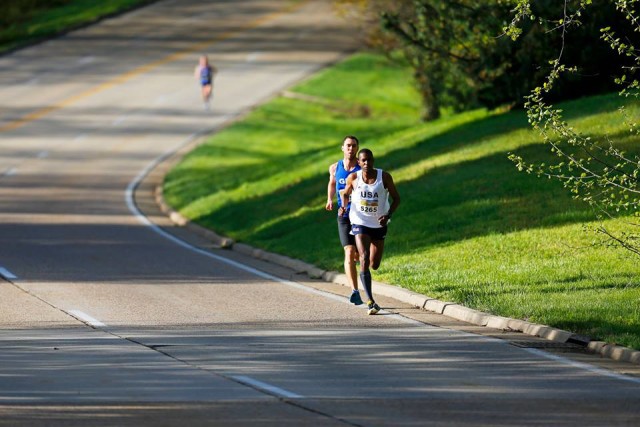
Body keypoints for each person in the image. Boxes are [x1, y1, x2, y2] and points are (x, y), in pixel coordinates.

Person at [339, 148, 400, 315]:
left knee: (374, 264)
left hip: (379, 224)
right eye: (363, 160)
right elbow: (345, 193)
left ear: (373, 160)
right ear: (359, 163)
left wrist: (388, 215)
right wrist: (343, 207)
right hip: (360, 222)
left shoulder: (384, 177)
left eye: (369, 160)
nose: (366, 163)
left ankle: (362, 257)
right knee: (365, 257)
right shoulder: (354, 178)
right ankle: (371, 301)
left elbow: (397, 198)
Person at [326, 136, 363, 305]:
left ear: (357, 148)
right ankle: (355, 291)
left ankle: (359, 258)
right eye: (348, 145)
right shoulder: (335, 167)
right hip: (343, 214)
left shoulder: (361, 169)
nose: (351, 149)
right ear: (342, 148)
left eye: (354, 146)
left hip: (361, 216)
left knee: (359, 254)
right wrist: (329, 199)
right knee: (348, 251)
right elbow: (332, 184)